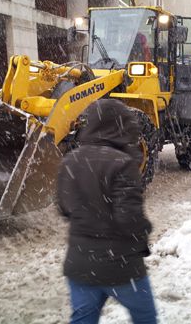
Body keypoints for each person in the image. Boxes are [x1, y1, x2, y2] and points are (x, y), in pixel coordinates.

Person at [57, 99, 157, 324]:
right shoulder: (123, 163)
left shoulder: (70, 160)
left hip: (80, 265)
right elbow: (129, 219)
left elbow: (65, 208)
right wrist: (145, 230)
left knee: (83, 319)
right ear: (123, 125)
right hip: (121, 268)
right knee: (146, 317)